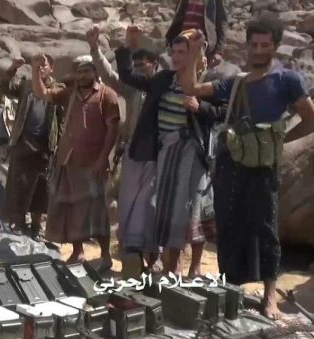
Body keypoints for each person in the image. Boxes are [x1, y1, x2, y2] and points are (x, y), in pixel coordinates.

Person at [178, 17, 314, 319]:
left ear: (275, 46)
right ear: (248, 46)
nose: (259, 50)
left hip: (263, 168)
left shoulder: (288, 79)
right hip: (231, 165)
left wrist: (280, 143)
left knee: (265, 228)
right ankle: (231, 290)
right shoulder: (236, 81)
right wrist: (195, 52)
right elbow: (190, 87)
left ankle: (269, 296)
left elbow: (310, 117)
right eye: (254, 44)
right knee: (229, 227)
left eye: (265, 45)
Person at [117, 26, 226, 277]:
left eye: (182, 52)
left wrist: (200, 108)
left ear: (194, 54)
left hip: (194, 152)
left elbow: (223, 113)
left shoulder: (207, 80)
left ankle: (195, 267)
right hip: (166, 152)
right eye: (173, 52)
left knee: (195, 208)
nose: (176, 57)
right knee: (169, 209)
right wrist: (128, 46)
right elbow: (127, 76)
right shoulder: (164, 79)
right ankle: (172, 265)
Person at [32, 54, 120, 270]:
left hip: (93, 165)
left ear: (95, 72)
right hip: (69, 161)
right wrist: (35, 70)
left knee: (97, 213)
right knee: (71, 208)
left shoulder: (107, 95)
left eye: (86, 71)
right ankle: (77, 251)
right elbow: (42, 93)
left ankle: (105, 255)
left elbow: (113, 130)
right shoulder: (70, 93)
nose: (82, 76)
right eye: (79, 72)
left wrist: (103, 159)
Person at [86, 26, 162, 274]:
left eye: (143, 65)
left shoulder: (166, 86)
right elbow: (109, 76)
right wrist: (95, 49)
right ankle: (132, 256)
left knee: (153, 206)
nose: (138, 69)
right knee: (129, 205)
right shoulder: (133, 90)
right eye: (135, 65)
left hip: (159, 155)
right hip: (133, 153)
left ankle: (154, 257)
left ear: (155, 64)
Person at [0, 55, 64, 239]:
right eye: (38, 65)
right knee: (19, 184)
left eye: (44, 65)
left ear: (52, 68)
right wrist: (12, 68)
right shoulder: (26, 85)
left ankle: (36, 226)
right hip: (24, 140)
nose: (41, 68)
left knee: (41, 188)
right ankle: (18, 223)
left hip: (47, 144)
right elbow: (5, 88)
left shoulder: (59, 88)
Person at [165, 0, 227, 68]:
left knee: (198, 71)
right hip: (182, 43)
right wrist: (170, 41)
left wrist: (219, 52)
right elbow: (177, 19)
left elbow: (222, 22)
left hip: (202, 46)